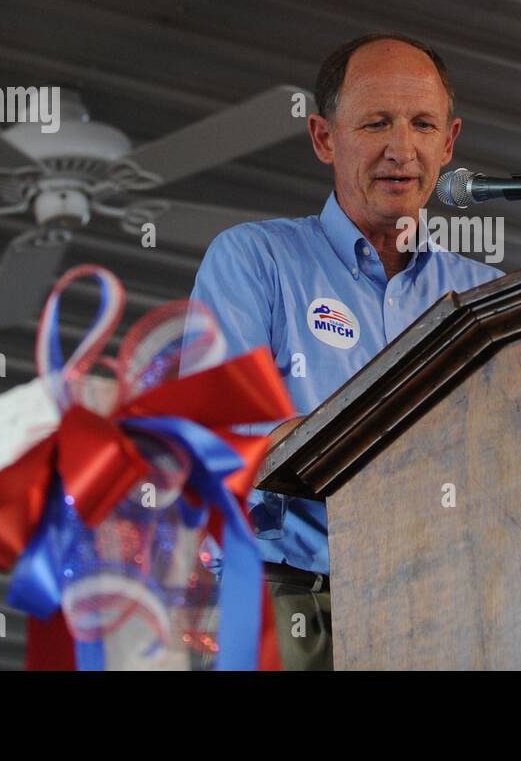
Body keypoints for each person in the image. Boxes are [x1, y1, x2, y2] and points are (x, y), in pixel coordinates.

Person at [181, 33, 504, 668]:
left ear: (449, 142)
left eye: (421, 124)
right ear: (324, 137)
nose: (400, 148)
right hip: (287, 587)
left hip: (448, 598)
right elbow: (216, 425)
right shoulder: (256, 258)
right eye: (376, 122)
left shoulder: (487, 294)